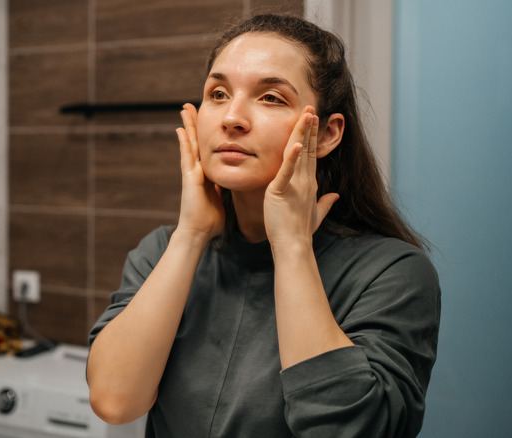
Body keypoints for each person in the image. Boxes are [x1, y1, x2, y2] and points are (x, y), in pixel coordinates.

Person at [87, 13, 440, 438]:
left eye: (271, 97)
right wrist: (190, 235)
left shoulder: (392, 273)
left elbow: (350, 429)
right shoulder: (162, 251)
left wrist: (292, 246)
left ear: (327, 134)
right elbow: (114, 401)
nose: (232, 117)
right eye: (218, 94)